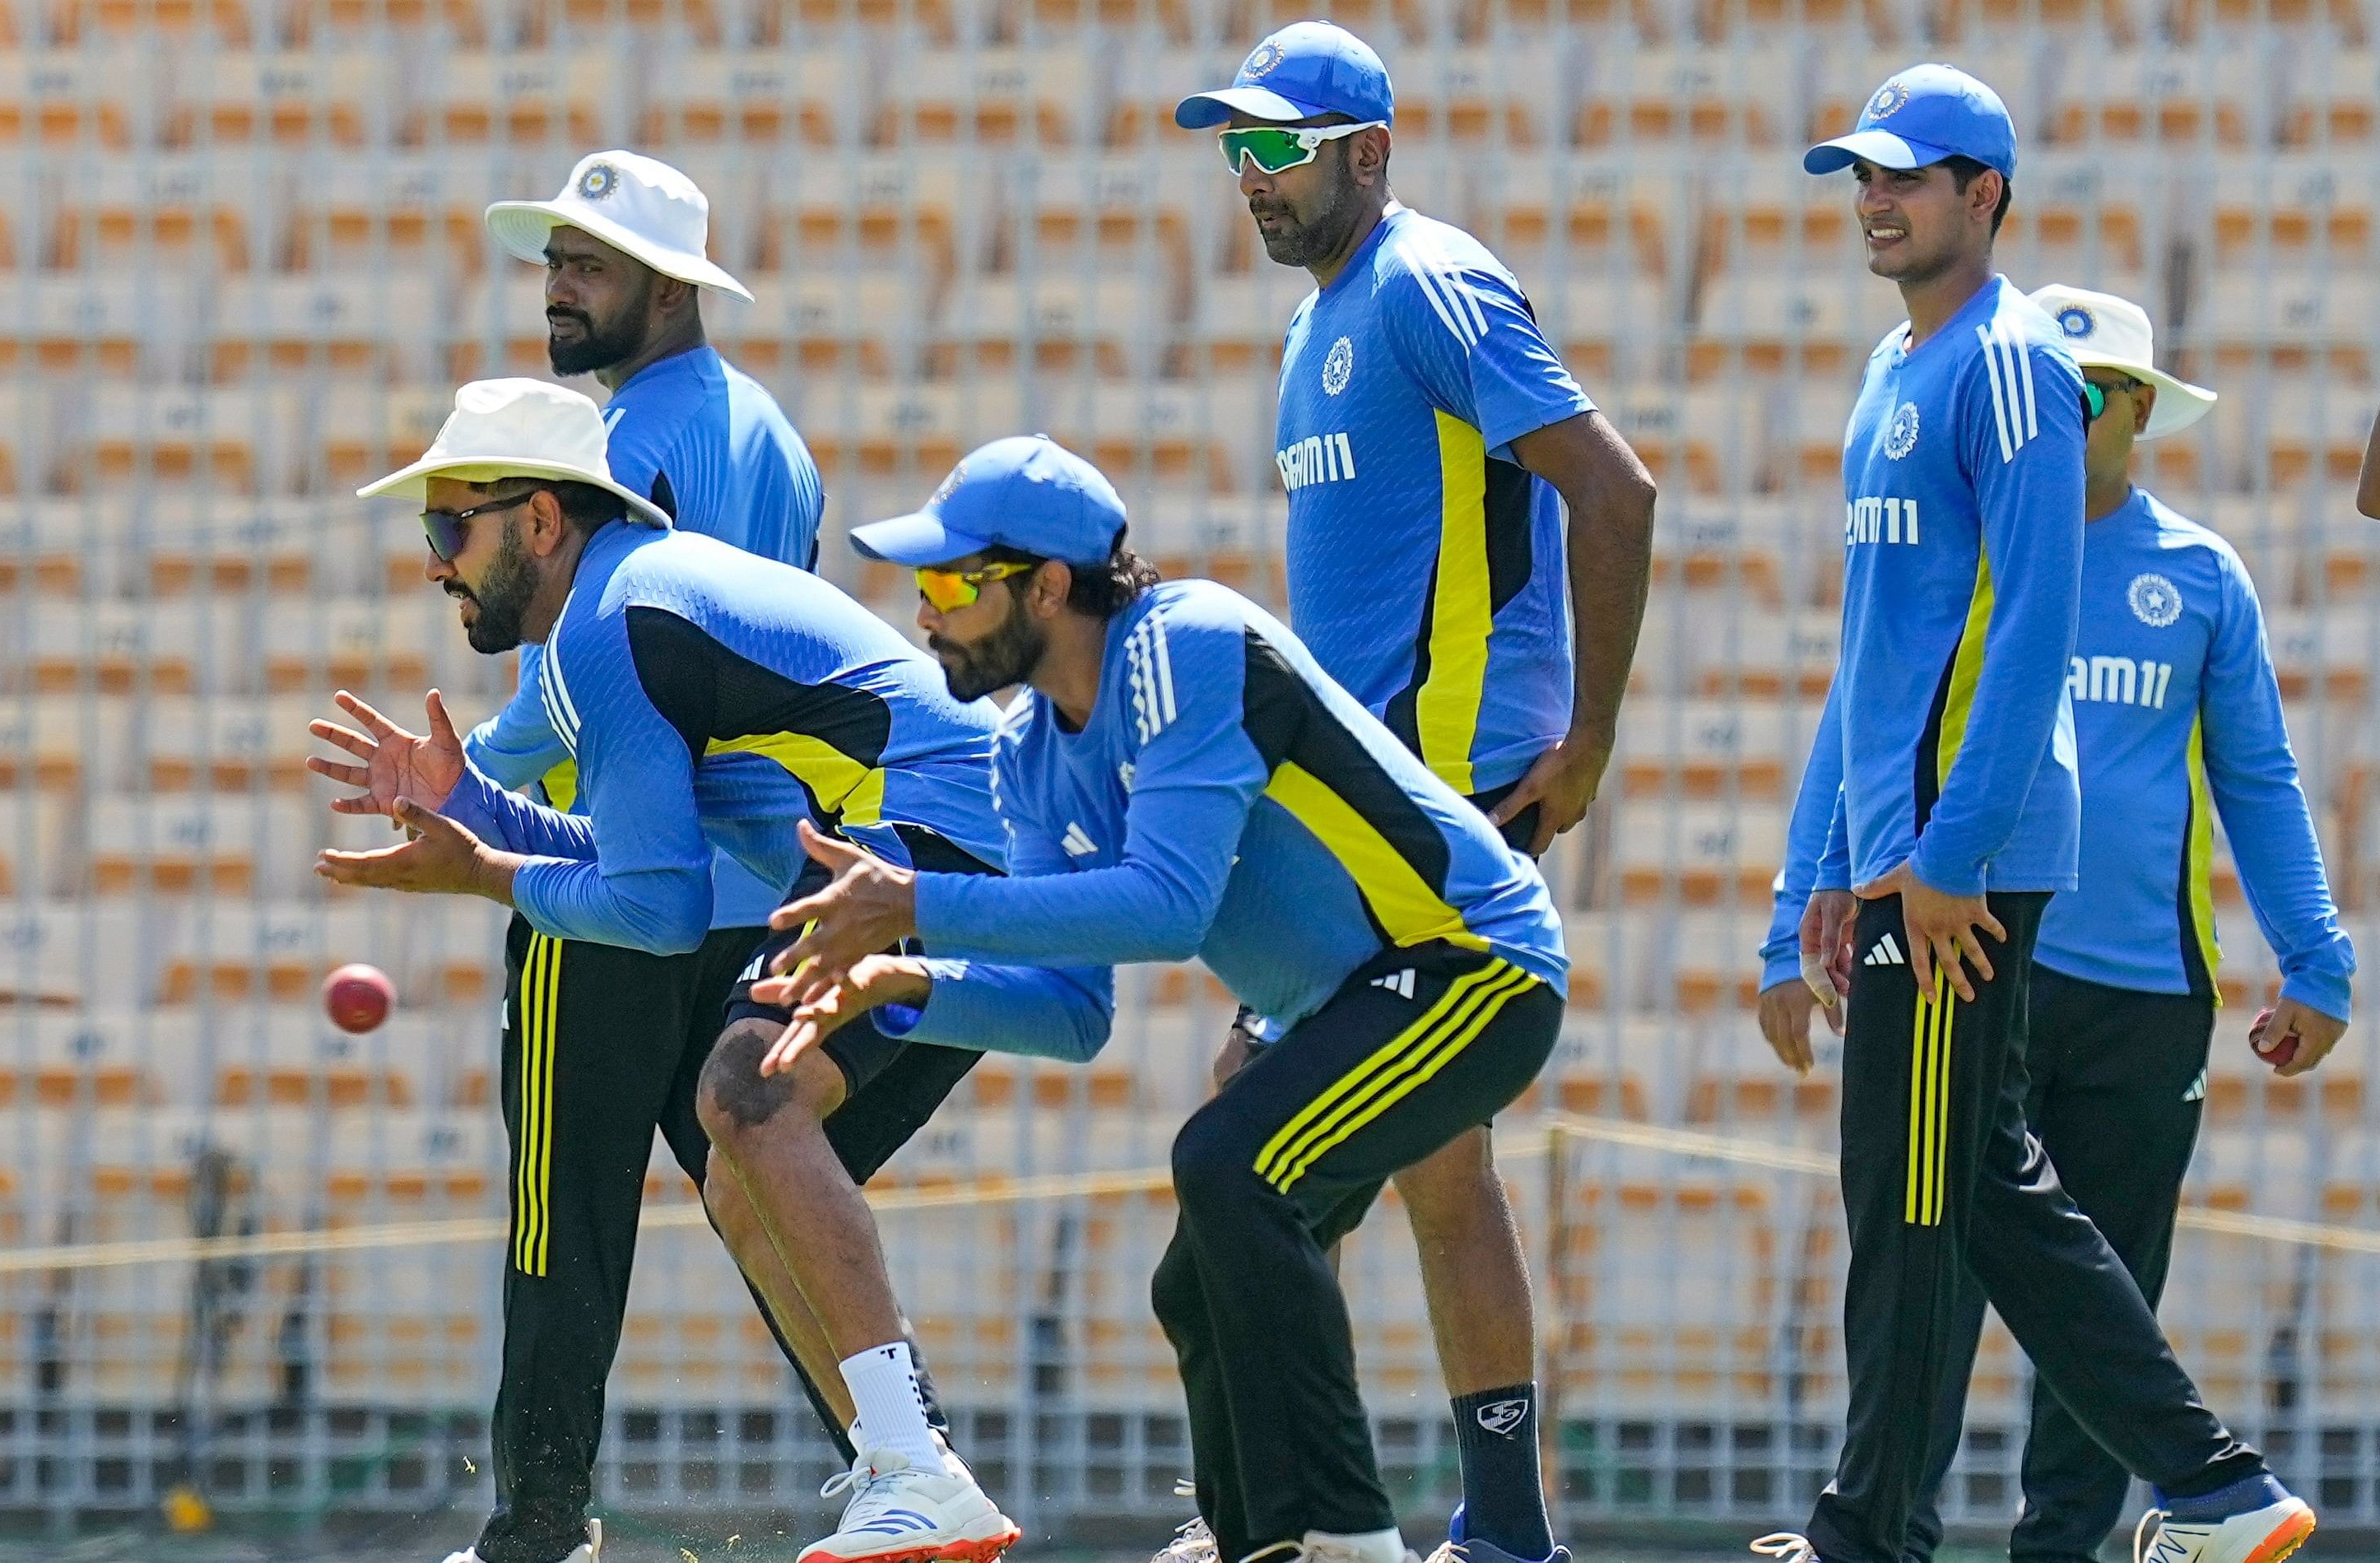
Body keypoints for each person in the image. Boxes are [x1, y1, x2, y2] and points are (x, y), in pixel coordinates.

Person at [741, 435, 1573, 1563]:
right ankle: (1253, 1541)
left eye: (950, 584)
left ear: (1046, 587)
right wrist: (910, 985)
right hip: (1357, 1000)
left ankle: (1344, 1534)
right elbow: (1074, 1013)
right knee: (1193, 1283)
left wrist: (921, 906)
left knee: (1230, 1168)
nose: (925, 613)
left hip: (1475, 968)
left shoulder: (1184, 645)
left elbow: (1168, 906)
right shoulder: (1027, 748)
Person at [318, 379, 1036, 1563]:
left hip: (944, 849)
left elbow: (657, 917)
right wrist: (471, 812)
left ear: (542, 522)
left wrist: (485, 874)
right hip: (931, 850)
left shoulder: (608, 633)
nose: (438, 565)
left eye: (453, 530)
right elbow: (649, 861)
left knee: (748, 1103)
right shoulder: (608, 620)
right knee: (739, 1174)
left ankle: (916, 1468)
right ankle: (904, 1485)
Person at [1750, 67, 2315, 1563]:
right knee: (1935, 1193)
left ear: (1984, 194)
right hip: (1907, 849)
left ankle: (2185, 1484)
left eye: (1906, 177)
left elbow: (2029, 632)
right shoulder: (1895, 367)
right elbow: (1877, 653)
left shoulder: (2005, 367)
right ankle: (2148, 1491)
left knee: (1946, 1188)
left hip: (1963, 852)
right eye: (1860, 175)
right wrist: (1832, 869)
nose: (1873, 198)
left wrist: (1940, 860)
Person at [1171, 25, 1659, 1563]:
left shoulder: (1430, 284)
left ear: (1367, 153)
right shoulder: (1319, 320)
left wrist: (1582, 743)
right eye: (1233, 150)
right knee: (1428, 1164)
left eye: (1277, 147)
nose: (1249, 179)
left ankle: (1292, 1517)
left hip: (1446, 795)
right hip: (1360, 808)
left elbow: (1615, 489)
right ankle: (1475, 1527)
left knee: (1263, 1146)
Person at [411, 151, 861, 1563]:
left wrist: (471, 787)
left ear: (668, 288)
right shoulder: (776, 436)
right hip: (749, 885)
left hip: (620, 870)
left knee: (565, 1220)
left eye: (586, 266)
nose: (557, 288)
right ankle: (908, 1471)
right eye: (552, 261)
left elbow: (597, 677)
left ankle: (537, 1529)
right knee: (770, 1215)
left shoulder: (599, 455)